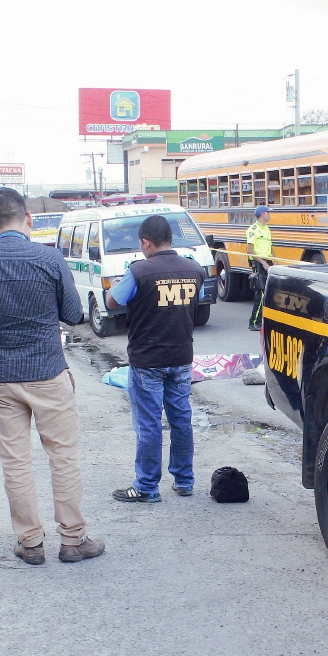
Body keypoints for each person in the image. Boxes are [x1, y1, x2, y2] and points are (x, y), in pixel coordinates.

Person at [0, 187, 101, 567]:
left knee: (15, 460)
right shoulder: (49, 258)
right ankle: (73, 540)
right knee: (63, 457)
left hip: (1, 374)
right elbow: (74, 315)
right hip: (47, 371)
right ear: (27, 218)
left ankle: (30, 542)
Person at [106, 214, 206, 503]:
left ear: (145, 243)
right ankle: (184, 480)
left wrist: (116, 285)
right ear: (170, 240)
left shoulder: (139, 272)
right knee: (181, 419)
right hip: (181, 357)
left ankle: (147, 486)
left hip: (148, 360)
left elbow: (113, 302)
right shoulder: (194, 269)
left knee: (149, 424)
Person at [246, 205, 274, 331]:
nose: (270, 215)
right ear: (262, 214)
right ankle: (254, 322)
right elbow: (250, 251)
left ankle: (262, 320)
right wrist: (263, 263)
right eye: (268, 213)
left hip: (268, 262)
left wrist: (275, 261)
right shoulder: (253, 230)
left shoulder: (267, 229)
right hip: (258, 263)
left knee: (268, 292)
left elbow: (270, 247)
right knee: (261, 292)